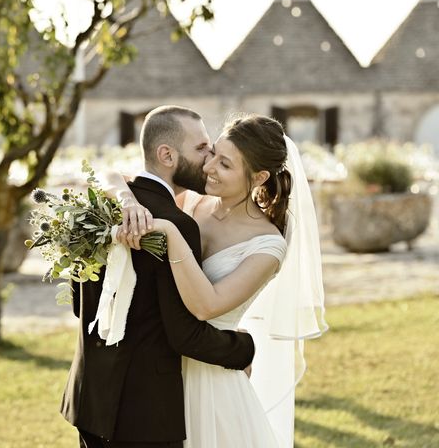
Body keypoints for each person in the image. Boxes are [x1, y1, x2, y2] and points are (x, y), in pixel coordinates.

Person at [112, 114, 327, 447]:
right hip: (162, 371)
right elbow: (119, 178)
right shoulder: (195, 202)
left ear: (259, 177)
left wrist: (170, 232)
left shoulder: (268, 245)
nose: (209, 167)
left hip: (212, 381)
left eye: (225, 164)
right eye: (212, 153)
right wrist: (125, 199)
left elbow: (207, 305)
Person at [60, 105, 257, 448]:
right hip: (144, 413)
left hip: (90, 399)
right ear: (167, 154)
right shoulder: (176, 226)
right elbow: (184, 334)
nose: (209, 159)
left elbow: (81, 305)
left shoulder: (99, 207)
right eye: (201, 148)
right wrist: (243, 347)